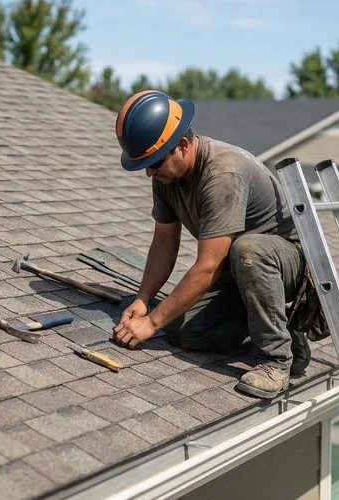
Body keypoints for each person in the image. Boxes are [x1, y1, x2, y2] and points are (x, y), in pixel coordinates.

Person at [111, 89, 310, 399]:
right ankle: (276, 327)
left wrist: (150, 323)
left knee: (249, 251)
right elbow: (164, 241)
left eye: (155, 162)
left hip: (281, 266)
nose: (150, 171)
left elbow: (207, 268)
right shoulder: (166, 178)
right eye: (145, 164)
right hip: (237, 270)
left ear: (183, 146)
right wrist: (143, 300)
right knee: (180, 329)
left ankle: (276, 360)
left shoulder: (222, 173)